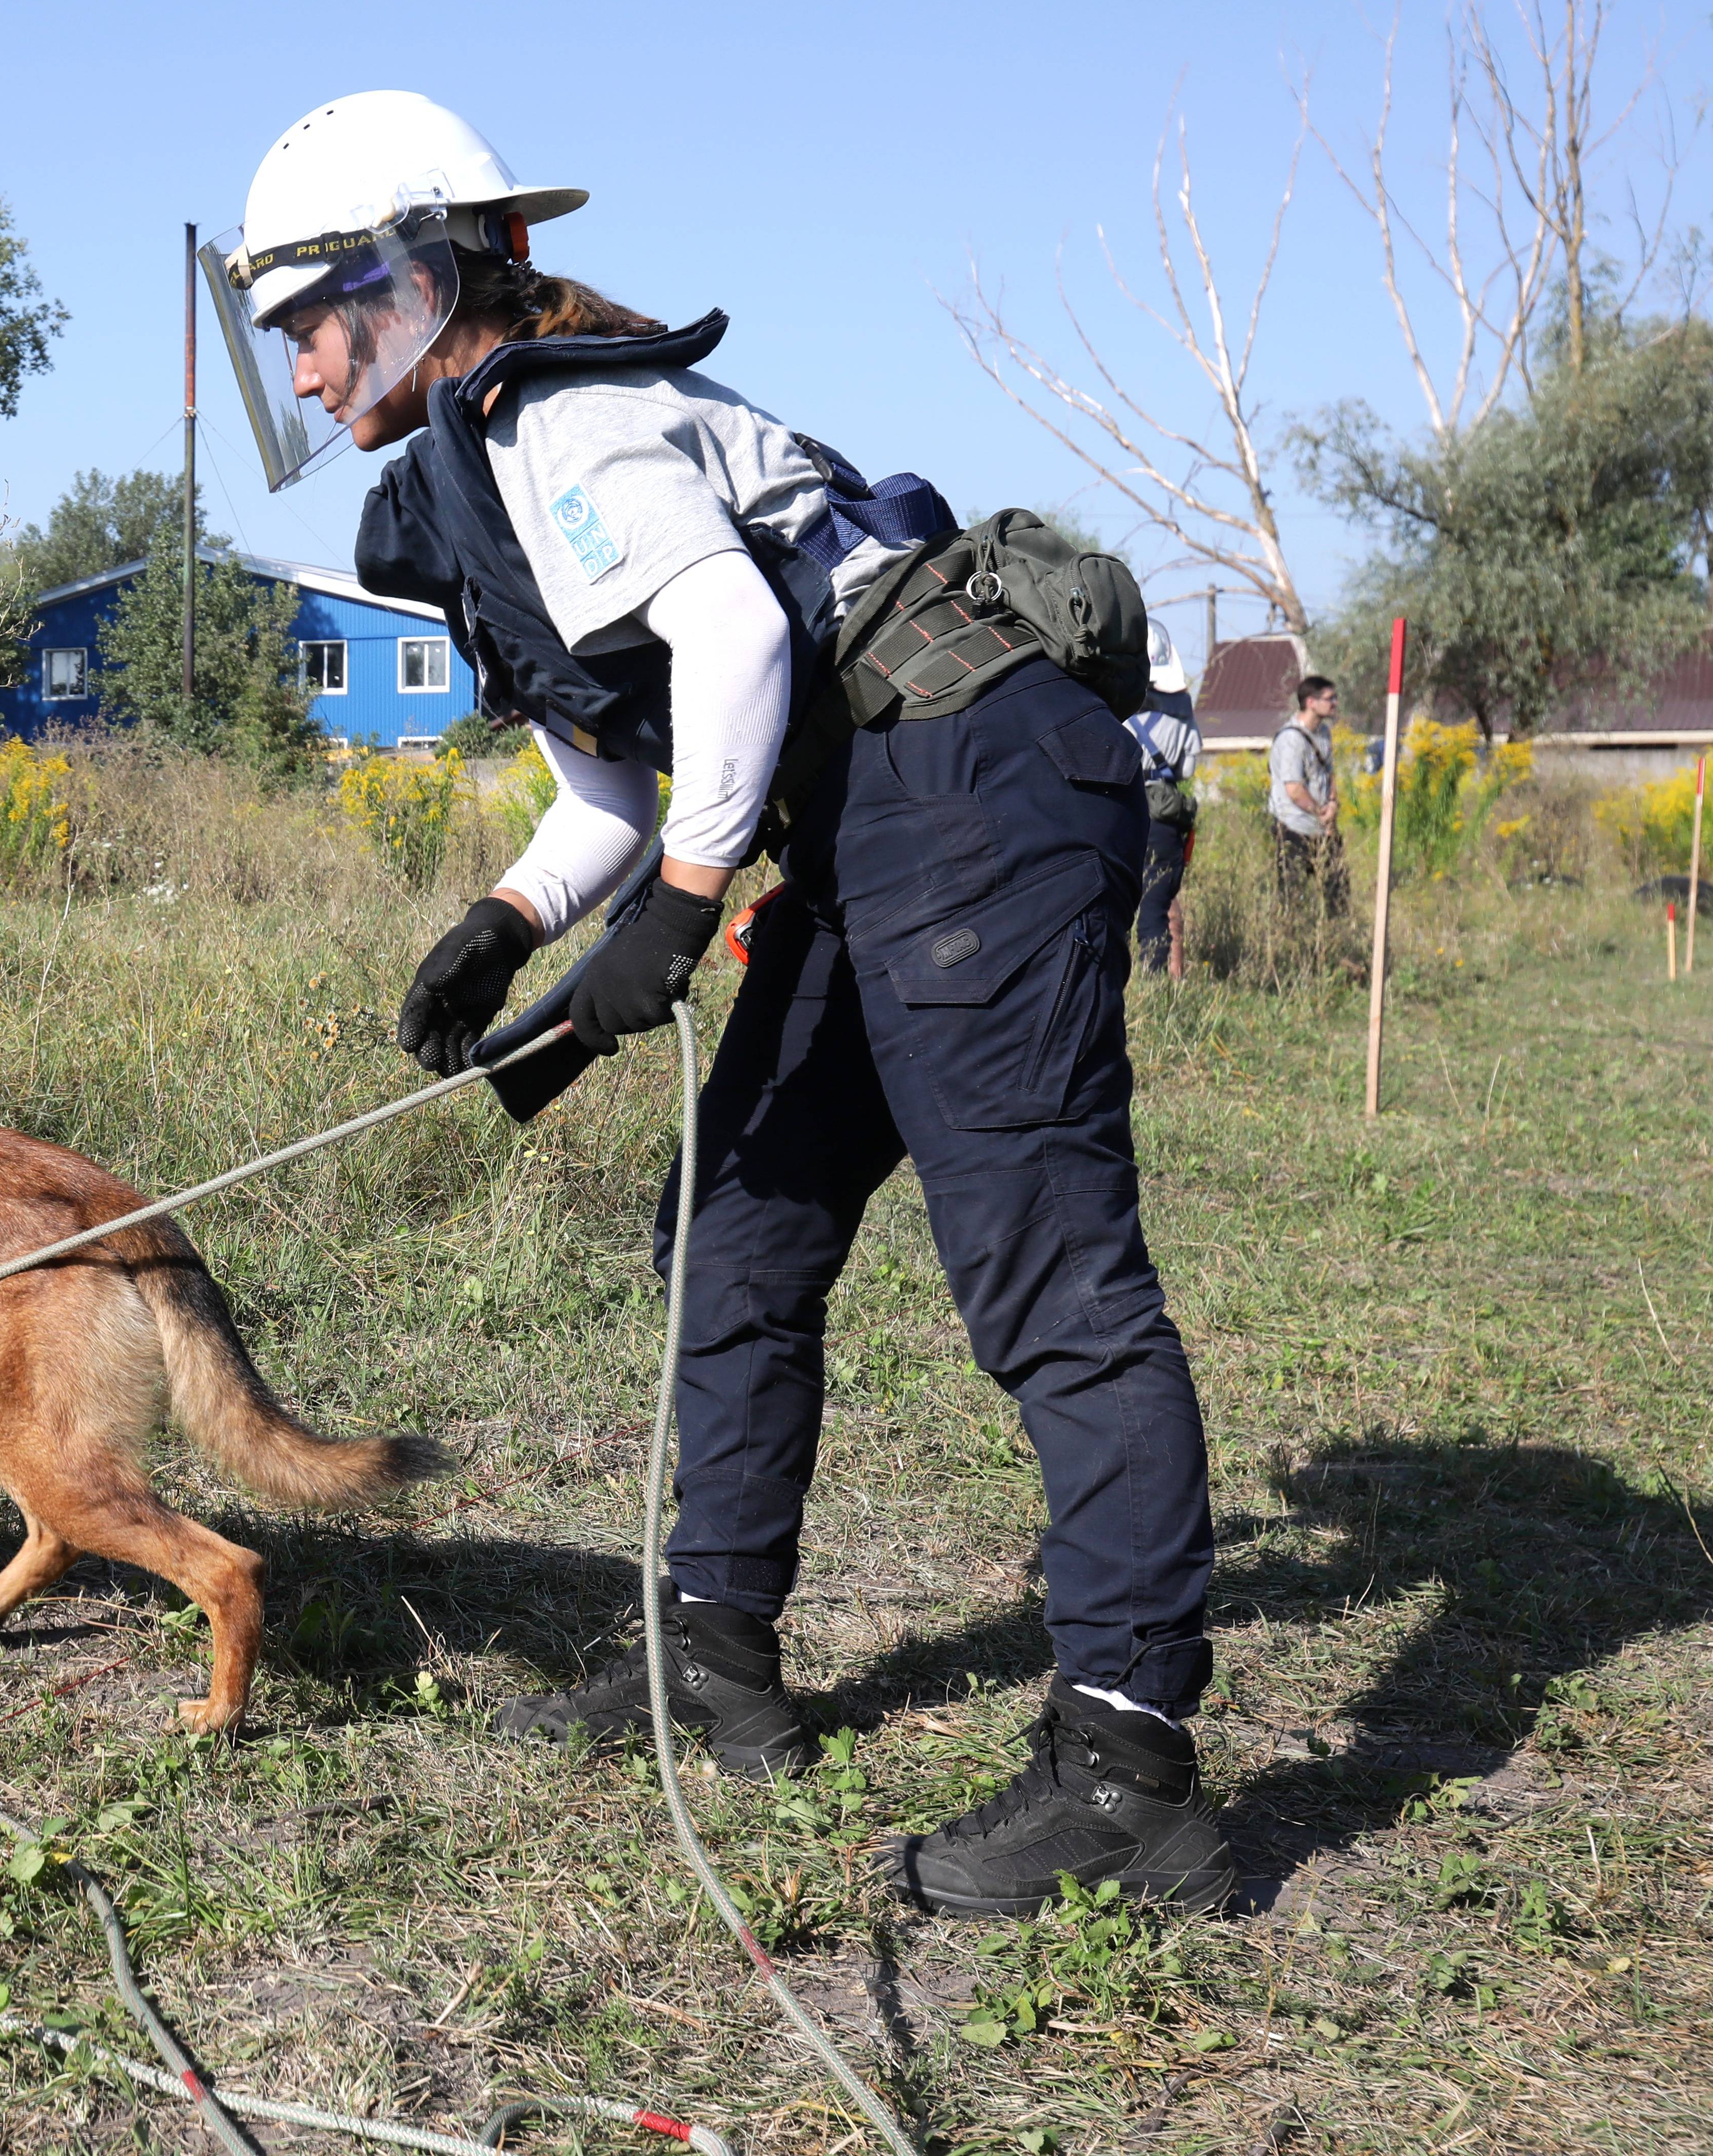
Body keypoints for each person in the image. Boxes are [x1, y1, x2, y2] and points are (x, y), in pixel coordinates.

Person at [214, 92, 1229, 1916]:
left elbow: (741, 643)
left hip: (969, 785)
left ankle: (1125, 1765)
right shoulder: (479, 469)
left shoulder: (566, 412)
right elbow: (619, 777)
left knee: (1047, 1277)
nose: (291, 371)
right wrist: (506, 921)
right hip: (875, 822)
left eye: (302, 320)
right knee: (734, 1224)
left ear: (408, 277)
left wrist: (679, 915)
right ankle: (712, 1662)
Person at [1127, 620, 1204, 975]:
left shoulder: (1114, 702)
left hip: (1121, 809)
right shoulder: (1183, 708)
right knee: (1157, 904)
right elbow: (1188, 767)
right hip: (1165, 819)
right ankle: (1156, 982)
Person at [1268, 675, 1347, 919]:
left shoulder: (1324, 733)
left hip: (1322, 828)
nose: (1335, 703)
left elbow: (1329, 774)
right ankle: (1293, 944)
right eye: (1329, 698)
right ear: (1311, 702)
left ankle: (1337, 942)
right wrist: (1321, 814)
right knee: (1293, 897)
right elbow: (1294, 789)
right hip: (1293, 827)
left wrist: (1333, 803)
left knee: (1338, 893)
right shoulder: (1291, 739)